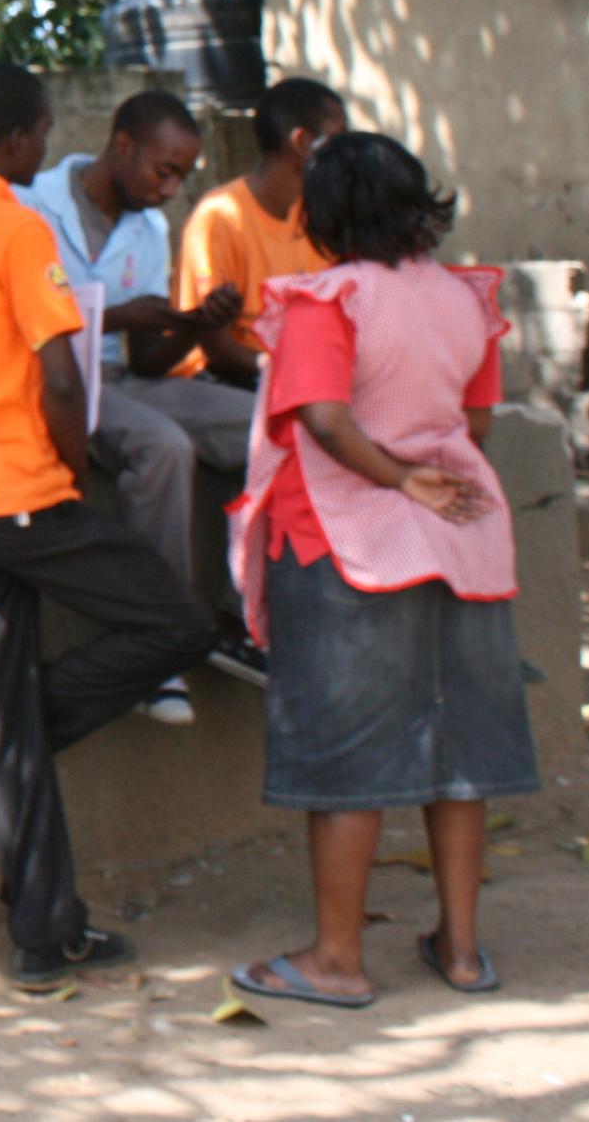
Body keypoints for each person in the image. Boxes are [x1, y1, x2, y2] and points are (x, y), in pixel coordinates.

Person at [0, 63, 217, 992]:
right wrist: (63, 468)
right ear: (20, 139)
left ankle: (42, 934)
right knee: (177, 624)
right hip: (16, 488)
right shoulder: (19, 228)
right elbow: (64, 378)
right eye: (42, 131)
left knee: (3, 696)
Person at [225, 133, 536, 1011]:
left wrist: (395, 476)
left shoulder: (329, 300)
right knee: (458, 749)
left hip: (346, 543)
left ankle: (334, 958)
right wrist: (426, 474)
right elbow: (472, 425)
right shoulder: (463, 296)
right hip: (460, 536)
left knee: (349, 760)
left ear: (323, 216)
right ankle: (464, 949)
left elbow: (322, 417)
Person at [19, 91, 265, 717]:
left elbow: (149, 359)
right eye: (164, 170)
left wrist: (191, 323)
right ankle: (162, 643)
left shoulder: (149, 231)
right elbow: (17, 324)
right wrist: (117, 313)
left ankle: (251, 620)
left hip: (125, 379)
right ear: (122, 144)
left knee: (274, 423)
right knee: (161, 445)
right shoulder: (30, 207)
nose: (170, 189)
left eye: (182, 175)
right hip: (56, 382)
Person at [177, 76, 349, 387]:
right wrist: (298, 373)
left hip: (300, 377)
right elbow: (218, 349)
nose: (346, 154)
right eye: (338, 140)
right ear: (302, 142)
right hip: (228, 382)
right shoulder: (221, 215)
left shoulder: (319, 214)